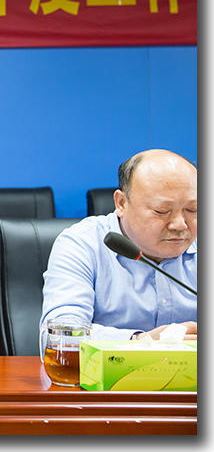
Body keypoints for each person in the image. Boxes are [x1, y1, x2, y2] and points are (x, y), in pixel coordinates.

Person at [40, 149, 196, 354]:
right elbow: (60, 336)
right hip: (108, 374)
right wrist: (141, 342)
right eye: (162, 211)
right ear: (121, 203)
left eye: (193, 210)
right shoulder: (82, 244)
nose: (180, 224)